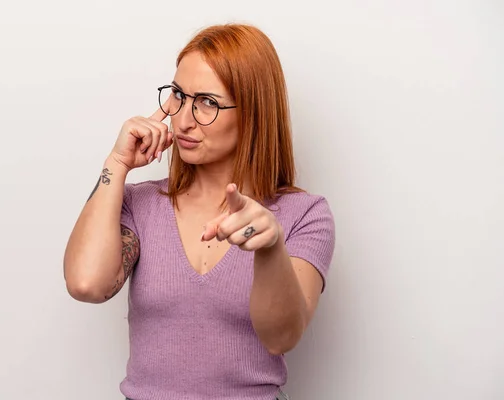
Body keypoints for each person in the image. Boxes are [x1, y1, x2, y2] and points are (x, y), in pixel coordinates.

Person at [63, 23, 336, 400]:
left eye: (207, 101)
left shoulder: (305, 215)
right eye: (178, 95)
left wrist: (270, 247)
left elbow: (281, 337)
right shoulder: (138, 203)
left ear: (253, 111)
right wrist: (117, 163)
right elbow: (86, 284)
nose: (184, 119)